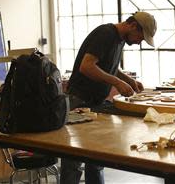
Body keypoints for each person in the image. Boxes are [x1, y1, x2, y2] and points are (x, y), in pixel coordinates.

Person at [60, 11, 157, 184]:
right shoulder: (105, 34)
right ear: (133, 26)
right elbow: (87, 66)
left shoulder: (119, 40)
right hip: (79, 101)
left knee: (95, 159)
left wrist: (127, 80)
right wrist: (117, 83)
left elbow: (108, 65)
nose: (137, 43)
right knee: (73, 159)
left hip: (95, 103)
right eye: (140, 38)